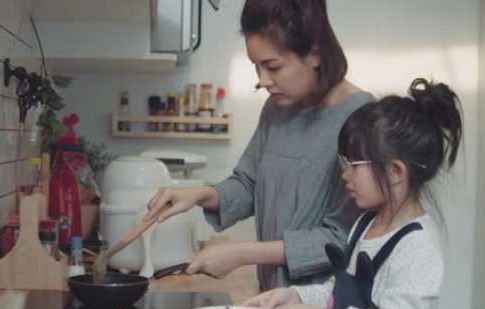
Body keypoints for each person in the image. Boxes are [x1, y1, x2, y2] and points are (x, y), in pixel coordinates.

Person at [244, 78, 463, 309]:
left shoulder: (418, 245)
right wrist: (295, 297)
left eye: (352, 164)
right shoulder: (364, 223)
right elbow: (340, 292)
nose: (344, 175)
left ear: (395, 171)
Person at [145, 0, 374, 291]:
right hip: (271, 299)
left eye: (273, 66)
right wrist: (198, 195)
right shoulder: (278, 107)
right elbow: (250, 184)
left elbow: (342, 238)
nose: (263, 80)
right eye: (255, 65)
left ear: (315, 54)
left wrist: (243, 253)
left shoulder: (362, 119)